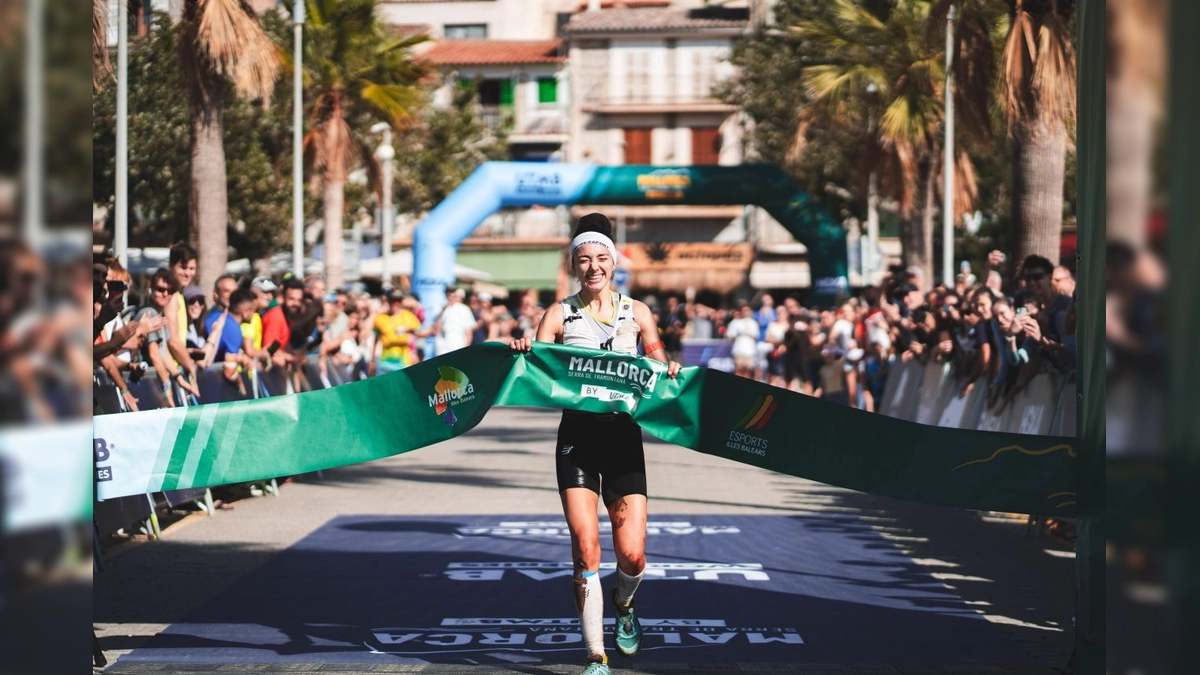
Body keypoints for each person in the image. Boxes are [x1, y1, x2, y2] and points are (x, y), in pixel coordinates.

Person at [510, 213, 680, 675]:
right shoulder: (558, 314)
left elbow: (660, 366)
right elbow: (538, 369)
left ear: (614, 262)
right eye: (583, 259)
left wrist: (668, 368)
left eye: (601, 258)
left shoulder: (638, 313)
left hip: (624, 438)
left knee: (633, 555)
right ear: (573, 265)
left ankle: (625, 604)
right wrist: (527, 350)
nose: (593, 267)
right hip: (577, 440)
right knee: (586, 548)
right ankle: (595, 655)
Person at [373, 291, 423, 373]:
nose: (395, 303)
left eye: (398, 301)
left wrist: (410, 330)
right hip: (386, 361)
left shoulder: (408, 316)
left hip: (403, 361)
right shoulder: (380, 318)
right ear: (388, 302)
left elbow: (420, 333)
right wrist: (373, 360)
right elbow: (376, 339)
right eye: (393, 301)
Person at [433, 286, 476, 356]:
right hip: (441, 349)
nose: (450, 295)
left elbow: (469, 332)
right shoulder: (441, 308)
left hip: (457, 348)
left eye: (452, 293)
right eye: (448, 293)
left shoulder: (464, 309)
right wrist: (443, 309)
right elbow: (436, 330)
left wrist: (465, 349)